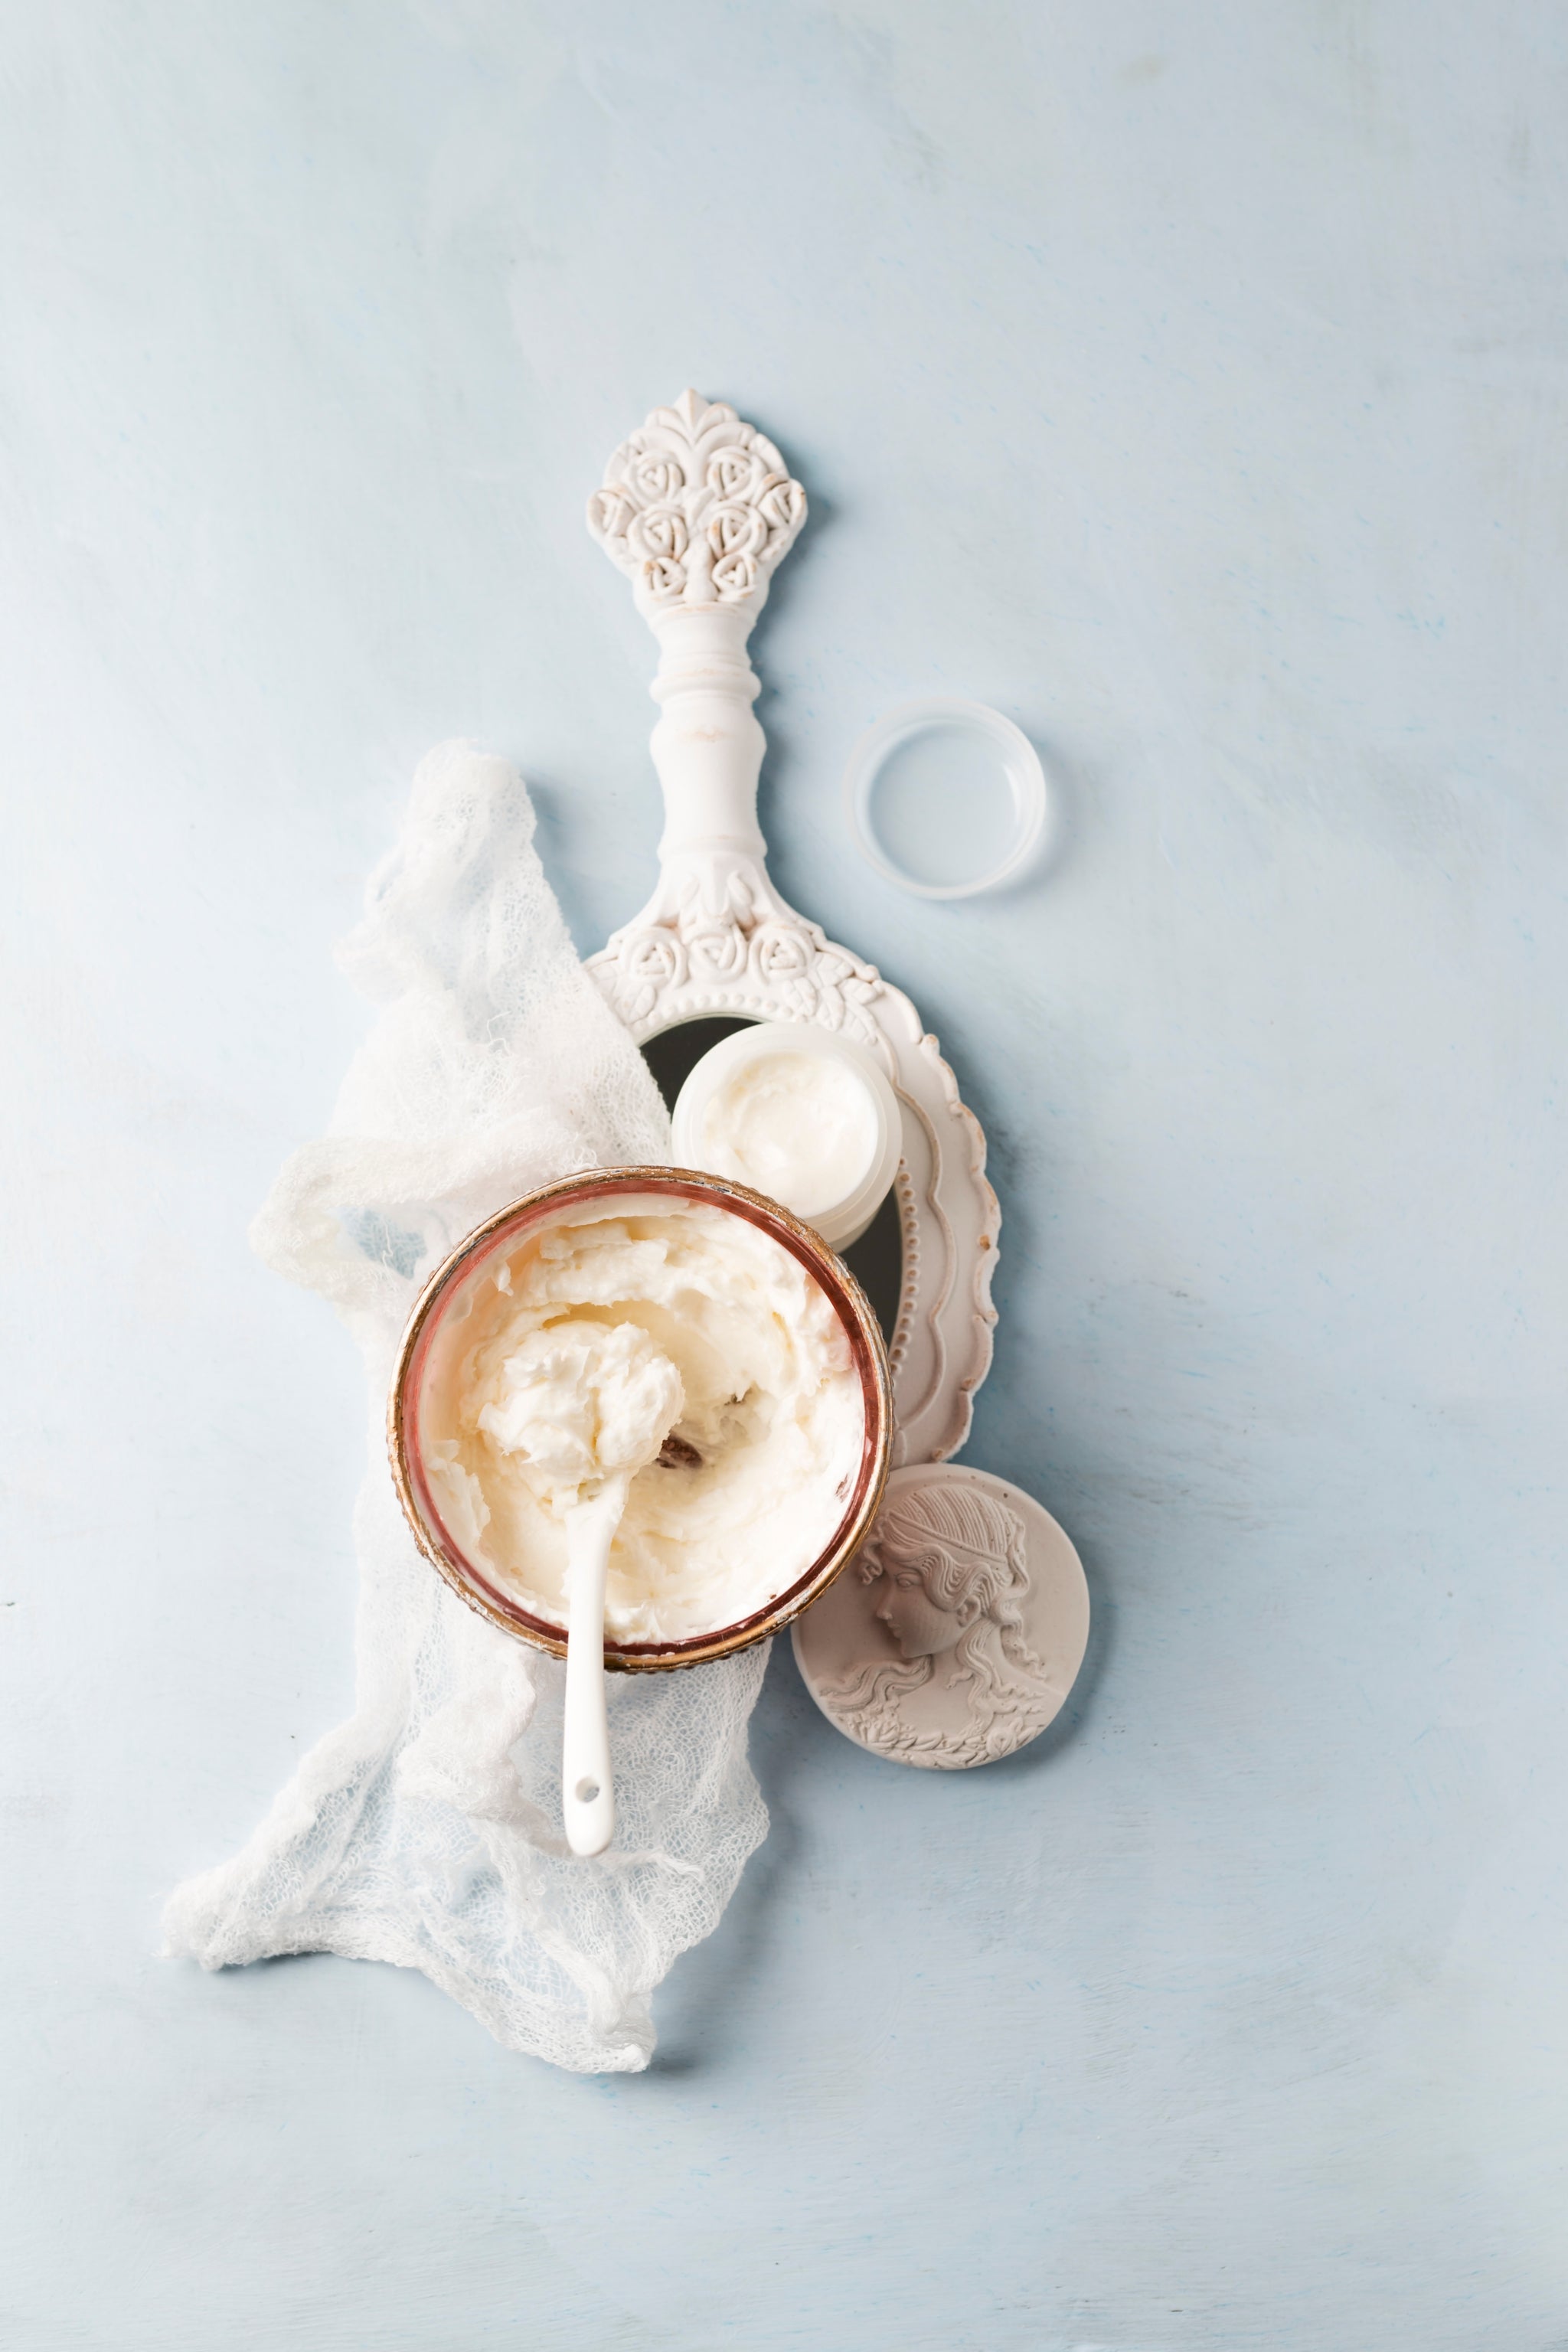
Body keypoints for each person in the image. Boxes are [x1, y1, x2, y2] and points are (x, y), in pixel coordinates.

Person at [823, 1478, 1058, 1765]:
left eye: (904, 1583)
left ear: (968, 1603)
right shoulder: (873, 1699)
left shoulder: (1035, 1708)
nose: (883, 1610)